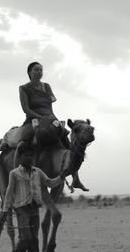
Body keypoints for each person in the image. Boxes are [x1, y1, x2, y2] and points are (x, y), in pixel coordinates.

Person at [18, 62, 85, 191]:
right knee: (24, 141)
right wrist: (40, 117)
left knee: (66, 139)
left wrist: (53, 119)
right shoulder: (23, 88)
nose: (39, 72)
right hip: (32, 119)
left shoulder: (47, 87)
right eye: (36, 70)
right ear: (29, 72)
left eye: (41, 70)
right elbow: (26, 109)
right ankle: (21, 170)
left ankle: (76, 178)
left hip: (50, 119)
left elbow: (50, 107)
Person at [2, 146, 52, 252]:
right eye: (25, 155)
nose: (28, 157)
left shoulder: (37, 172)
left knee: (34, 238)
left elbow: (49, 182)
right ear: (20, 157)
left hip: (34, 208)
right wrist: (5, 209)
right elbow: (9, 192)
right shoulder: (14, 173)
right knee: (26, 238)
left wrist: (62, 176)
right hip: (21, 208)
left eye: (31, 155)